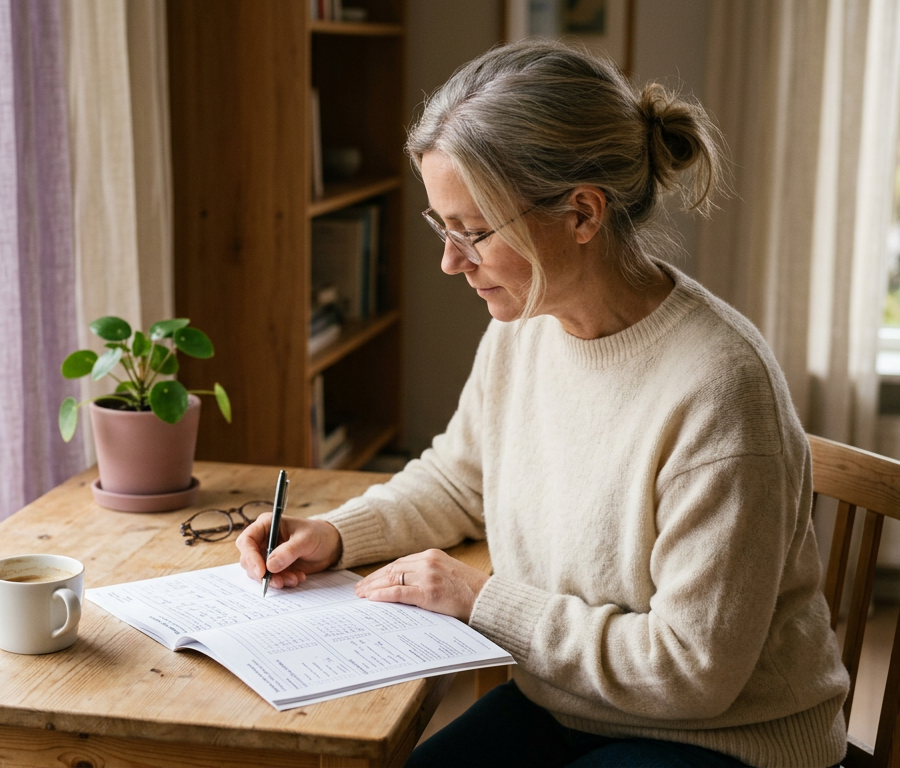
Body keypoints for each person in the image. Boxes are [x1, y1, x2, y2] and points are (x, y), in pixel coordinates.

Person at [237, 39, 848, 768]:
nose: (449, 261)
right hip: (567, 706)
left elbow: (691, 671)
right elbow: (459, 481)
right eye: (443, 227)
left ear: (583, 213)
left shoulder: (718, 388)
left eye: (472, 231)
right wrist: (335, 534)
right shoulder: (526, 326)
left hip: (727, 741)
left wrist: (481, 598)